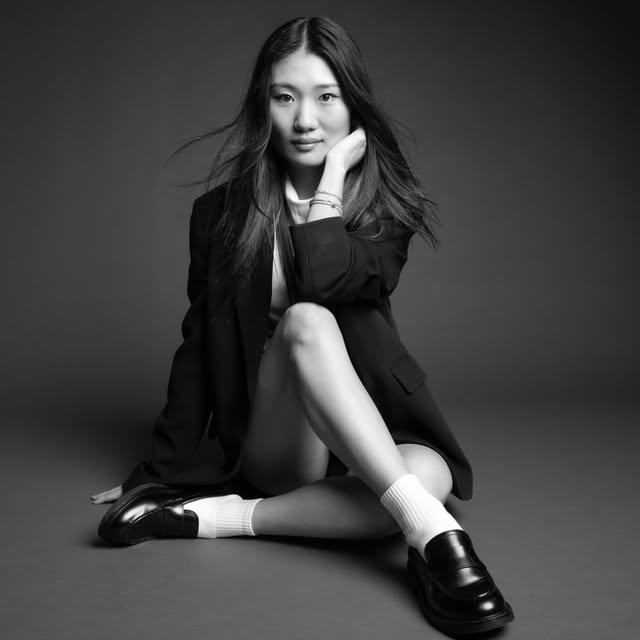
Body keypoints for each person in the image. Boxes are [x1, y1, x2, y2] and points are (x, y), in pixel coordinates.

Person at [91, 16, 514, 636]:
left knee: (427, 478)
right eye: (285, 97)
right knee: (307, 323)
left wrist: (335, 177)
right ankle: (438, 541)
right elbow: (200, 344)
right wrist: (155, 471)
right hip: (282, 438)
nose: (305, 120)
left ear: (353, 104)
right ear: (263, 105)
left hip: (371, 425)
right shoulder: (219, 215)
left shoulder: (386, 208)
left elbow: (328, 274)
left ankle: (216, 518)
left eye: (326, 97)